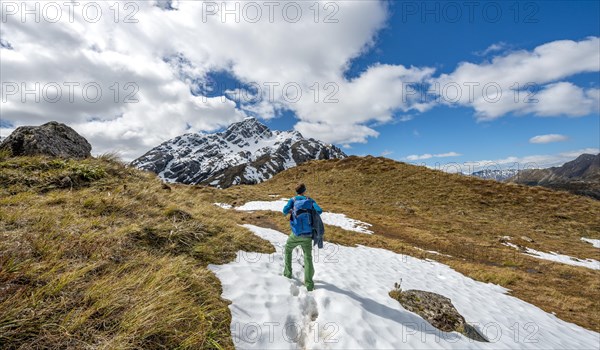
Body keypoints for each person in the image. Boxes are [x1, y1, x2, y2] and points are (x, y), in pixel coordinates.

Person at [282, 183, 322, 291]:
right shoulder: (310, 200)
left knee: (288, 250)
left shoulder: (293, 200)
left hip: (295, 234)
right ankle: (309, 284)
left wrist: (292, 211)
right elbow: (319, 211)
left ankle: (288, 273)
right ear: (305, 191)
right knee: (308, 257)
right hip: (308, 235)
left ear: (296, 191)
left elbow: (284, 211)